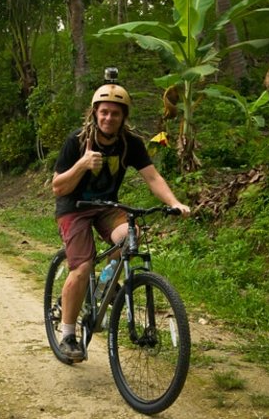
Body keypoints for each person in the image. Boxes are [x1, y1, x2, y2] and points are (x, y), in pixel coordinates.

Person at [51, 69, 191, 361]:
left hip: (106, 207)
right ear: (95, 113)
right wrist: (82, 164)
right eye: (104, 112)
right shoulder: (77, 140)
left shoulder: (130, 143)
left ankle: (103, 286)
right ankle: (68, 335)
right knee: (82, 267)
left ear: (123, 116)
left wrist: (175, 202)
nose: (109, 118)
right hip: (73, 208)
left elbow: (152, 177)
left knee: (130, 235)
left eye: (115, 113)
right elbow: (58, 186)